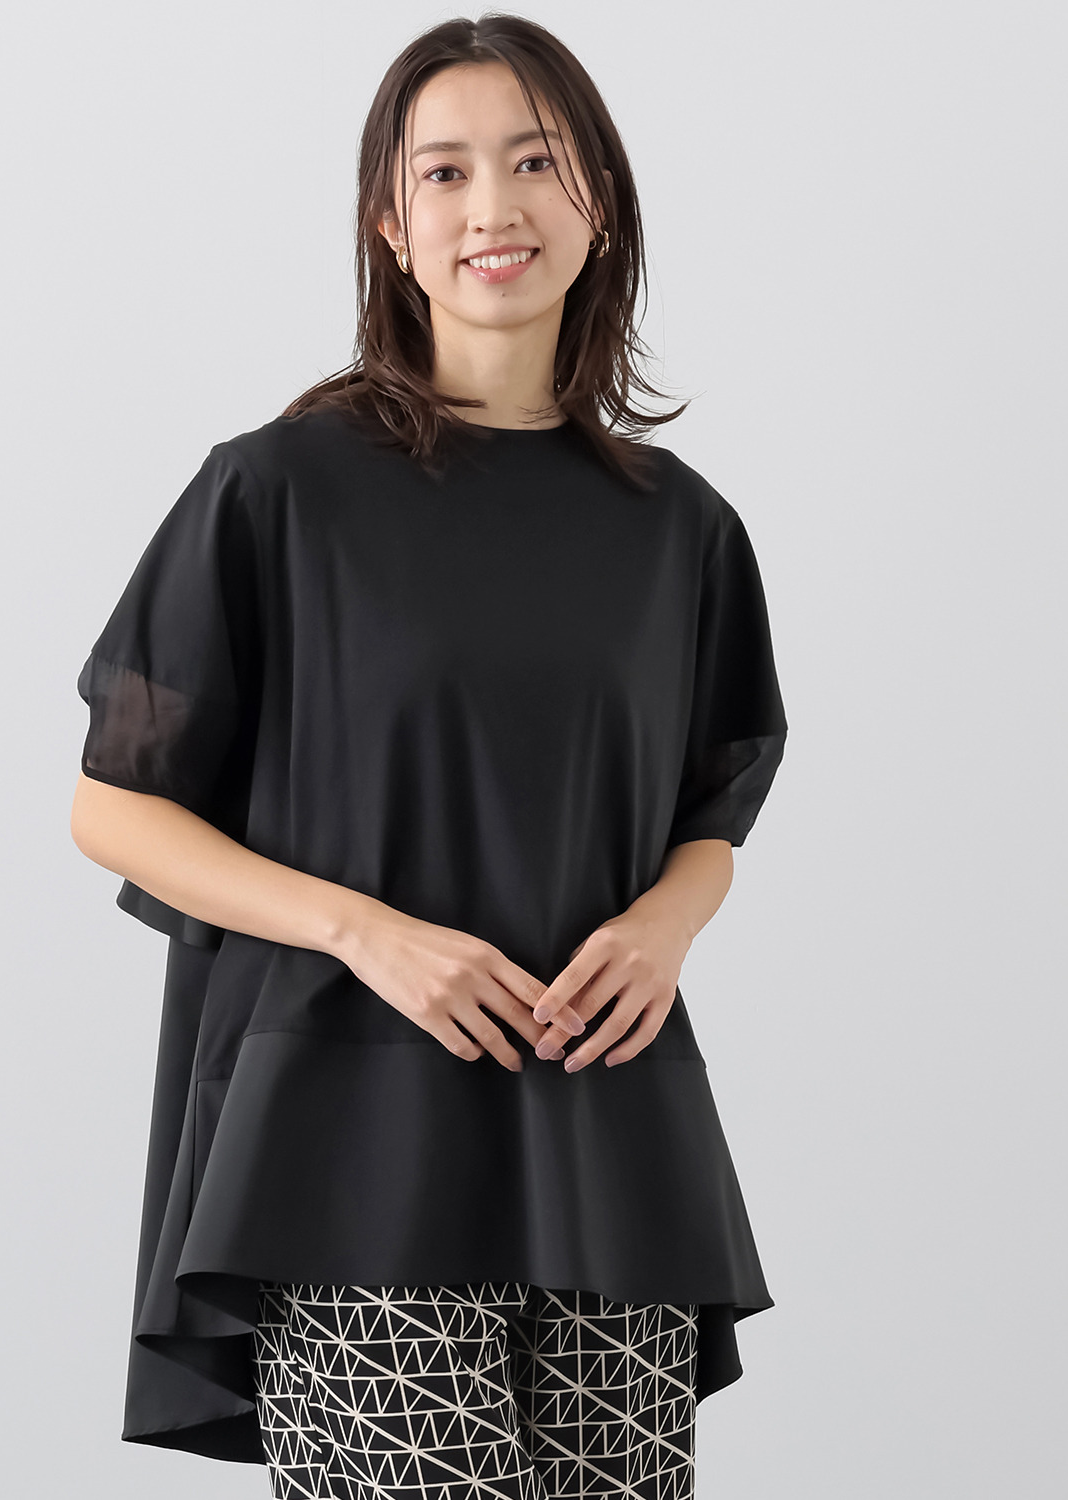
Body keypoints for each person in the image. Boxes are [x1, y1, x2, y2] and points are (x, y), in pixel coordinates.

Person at [69, 13, 789, 1497]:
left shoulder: (681, 529)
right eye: (444, 172)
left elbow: (712, 804)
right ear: (391, 225)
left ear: (599, 199)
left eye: (533, 162)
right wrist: (369, 934)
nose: (492, 208)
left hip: (602, 1128)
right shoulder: (278, 493)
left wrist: (666, 926)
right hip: (352, 1143)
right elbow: (117, 809)